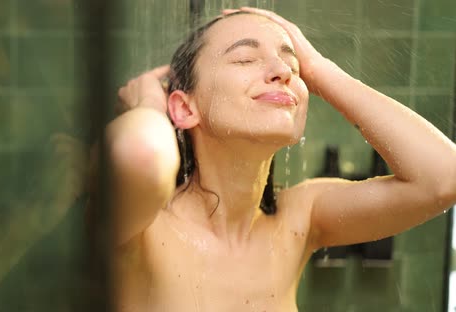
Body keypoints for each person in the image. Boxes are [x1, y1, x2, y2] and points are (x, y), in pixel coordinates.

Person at [107, 7, 456, 312]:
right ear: (184, 107)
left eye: (293, 65)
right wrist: (150, 105)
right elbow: (140, 154)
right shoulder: (141, 224)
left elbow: (443, 177)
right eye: (245, 59)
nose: (282, 71)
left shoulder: (299, 218)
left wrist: (320, 70)